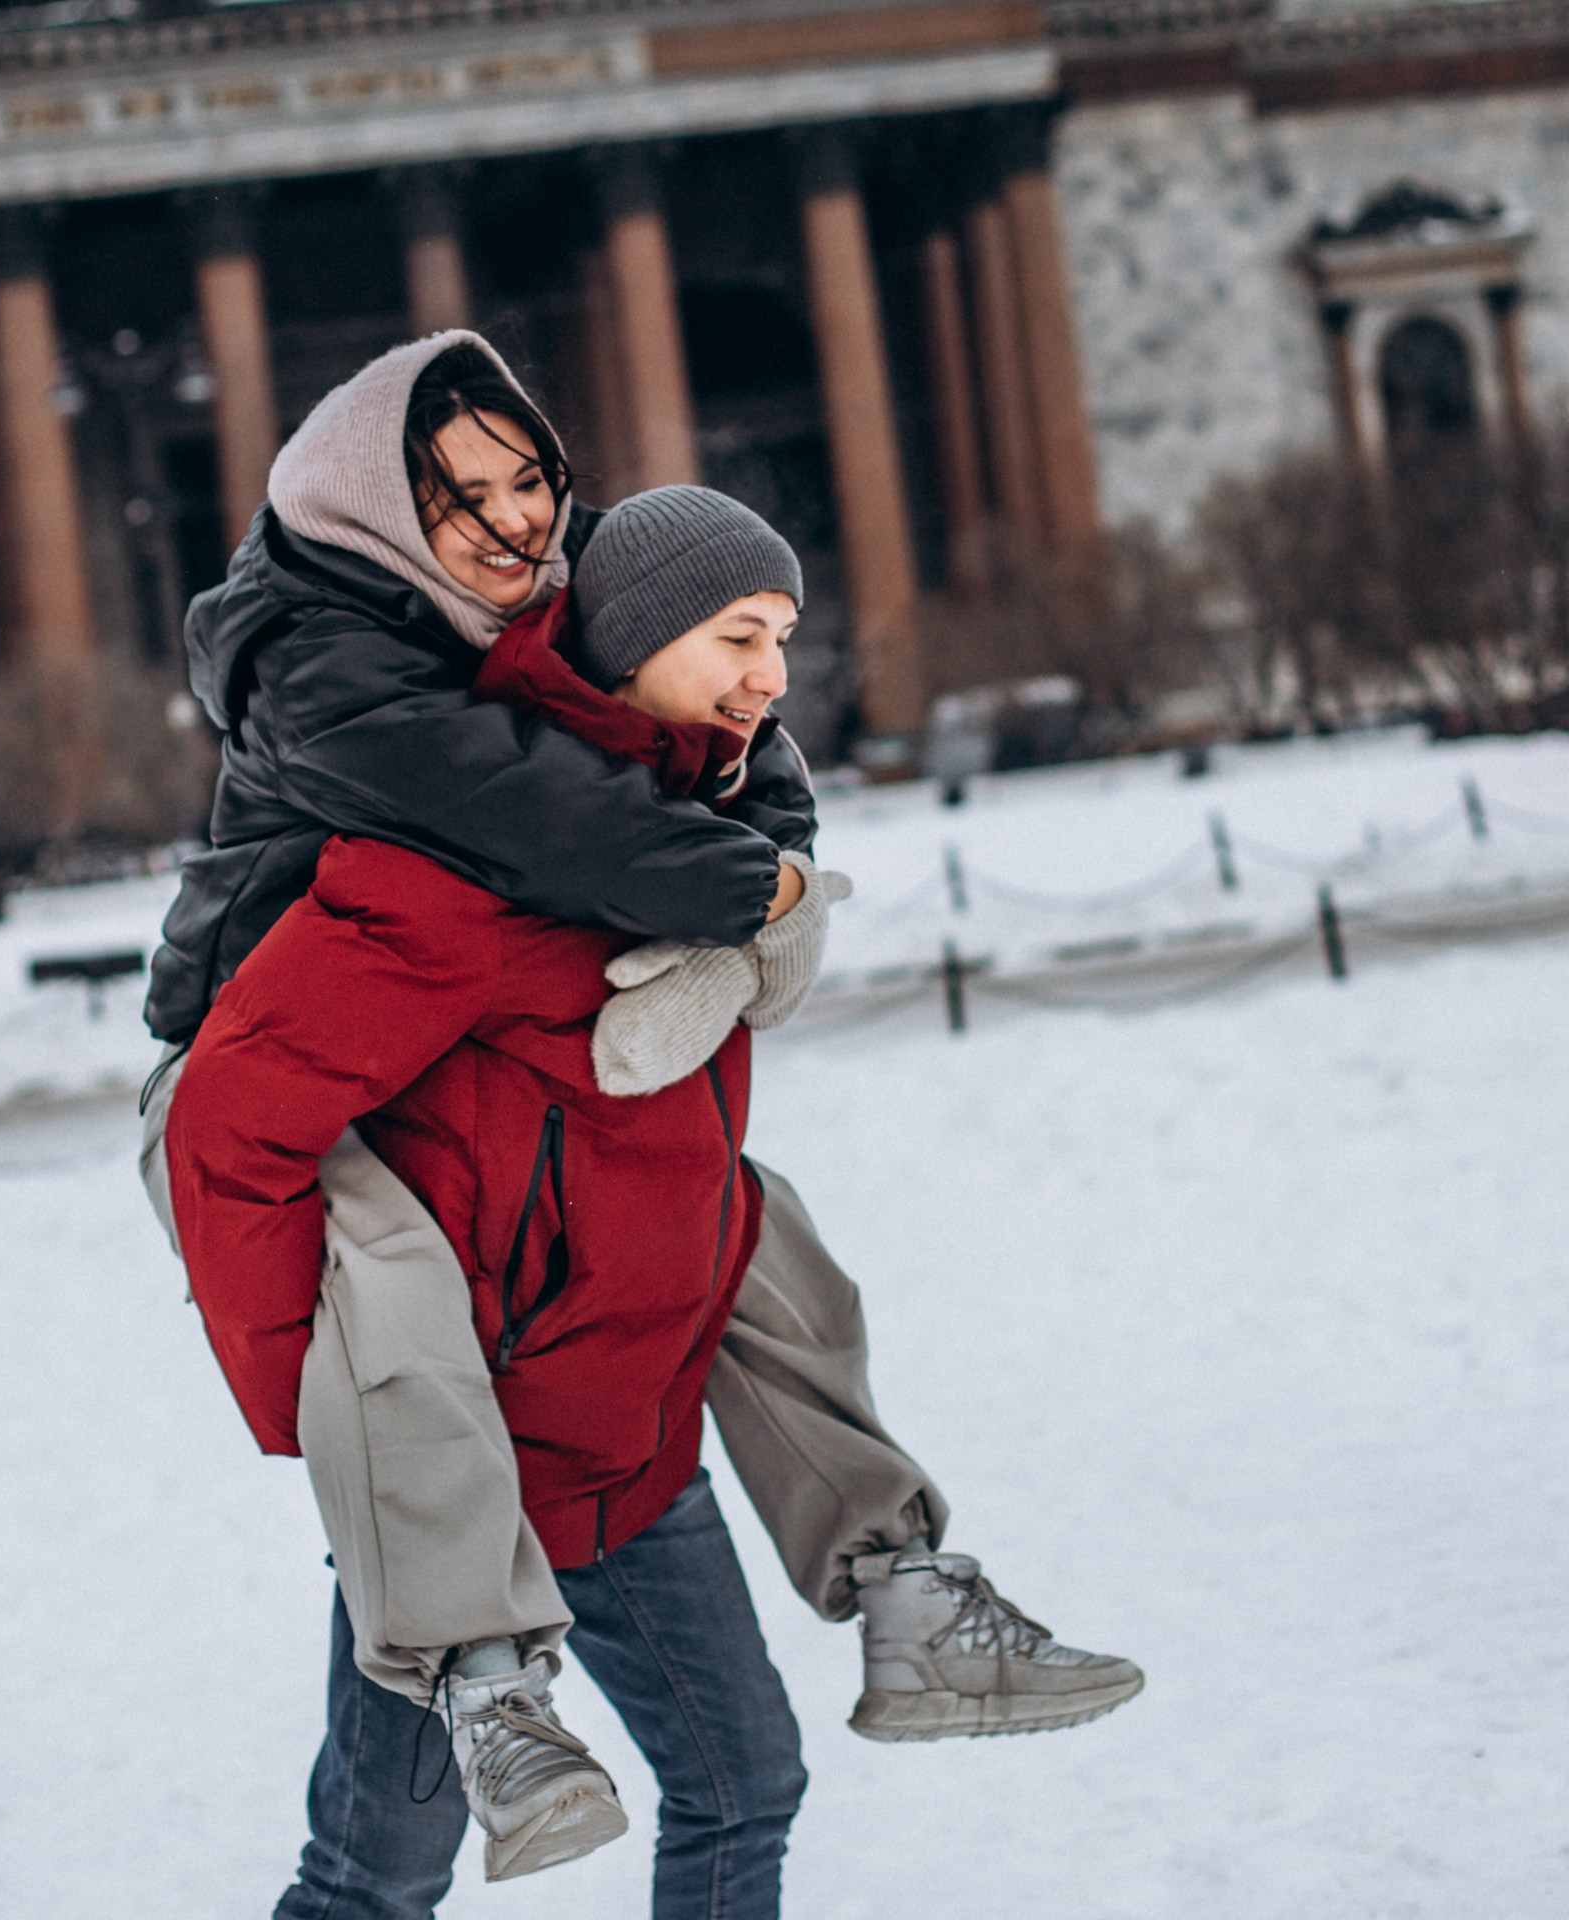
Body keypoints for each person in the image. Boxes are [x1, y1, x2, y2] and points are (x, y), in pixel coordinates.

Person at [138, 333, 1142, 1886]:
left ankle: (902, 1580)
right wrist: (323, 1401)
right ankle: (495, 1652)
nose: (510, 521)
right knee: (375, 1875)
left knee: (747, 1763)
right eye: (740, 637)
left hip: (628, 1429)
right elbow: (237, 1128)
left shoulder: (661, 771)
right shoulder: (414, 809)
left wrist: (768, 865)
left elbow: (678, 711)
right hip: (470, 1463)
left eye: (528, 481)